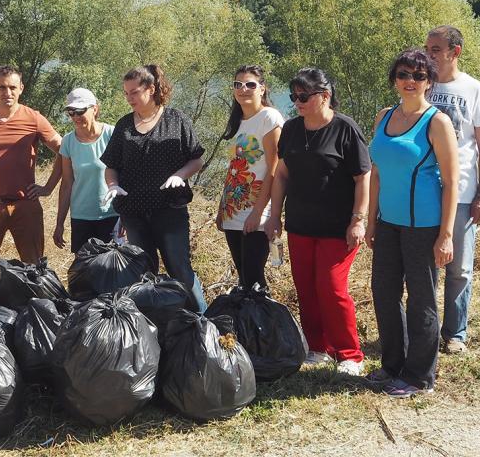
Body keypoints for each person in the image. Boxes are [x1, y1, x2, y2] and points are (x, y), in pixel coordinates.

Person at [367, 48, 459, 398]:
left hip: (425, 226)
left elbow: (451, 182)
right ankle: (393, 365)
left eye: (419, 76)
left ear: (429, 82)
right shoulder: (383, 117)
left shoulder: (437, 122)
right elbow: (376, 174)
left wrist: (446, 235)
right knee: (384, 294)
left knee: (421, 300)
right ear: (394, 79)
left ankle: (420, 376)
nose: (410, 82)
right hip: (388, 222)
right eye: (404, 74)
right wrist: (371, 221)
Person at [268, 67, 371, 377]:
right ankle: (317, 348)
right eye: (293, 97)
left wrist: (358, 220)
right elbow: (282, 174)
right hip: (300, 224)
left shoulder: (345, 129)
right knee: (306, 287)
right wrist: (274, 216)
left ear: (324, 96)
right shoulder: (291, 130)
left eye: (303, 96)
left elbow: (363, 176)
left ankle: (350, 354)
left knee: (331, 287)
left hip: (338, 227)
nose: (297, 102)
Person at [101, 64, 207, 312]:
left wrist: (180, 175)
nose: (129, 98)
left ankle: (201, 320)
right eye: (126, 93)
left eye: (134, 92)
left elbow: (197, 159)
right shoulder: (124, 125)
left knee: (179, 267)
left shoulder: (176, 119)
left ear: (151, 89)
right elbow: (111, 165)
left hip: (169, 209)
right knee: (143, 271)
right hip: (134, 212)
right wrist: (113, 184)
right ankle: (156, 322)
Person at [425, 25, 480, 354]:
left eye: (436, 49)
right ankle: (425, 331)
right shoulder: (422, 84)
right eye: (428, 49)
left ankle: (454, 333)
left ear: (455, 52)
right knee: (424, 269)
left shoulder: (474, 89)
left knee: (459, 269)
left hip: (464, 192)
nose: (430, 55)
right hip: (424, 192)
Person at [0, 66, 62, 268]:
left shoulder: (33, 118)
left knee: (34, 268)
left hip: (25, 203)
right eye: (2, 87)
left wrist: (48, 187)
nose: (7, 93)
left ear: (21, 88)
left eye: (12, 87)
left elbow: (65, 150)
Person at [217, 65, 284, 289]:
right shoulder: (238, 122)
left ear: (262, 89)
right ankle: (246, 322)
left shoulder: (269, 117)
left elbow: (275, 169)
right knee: (244, 279)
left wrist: (258, 213)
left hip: (256, 211)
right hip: (232, 210)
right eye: (238, 85)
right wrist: (220, 209)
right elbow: (233, 169)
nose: (243, 89)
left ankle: (267, 323)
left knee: (255, 279)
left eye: (250, 84)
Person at [53, 87, 120, 252]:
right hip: (81, 217)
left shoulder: (112, 135)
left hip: (111, 215)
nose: (75, 116)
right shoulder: (68, 142)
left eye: (80, 111)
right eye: (70, 112)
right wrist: (59, 224)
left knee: (110, 270)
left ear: (94, 109)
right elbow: (67, 184)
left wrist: (127, 217)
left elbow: (126, 177)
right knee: (85, 271)